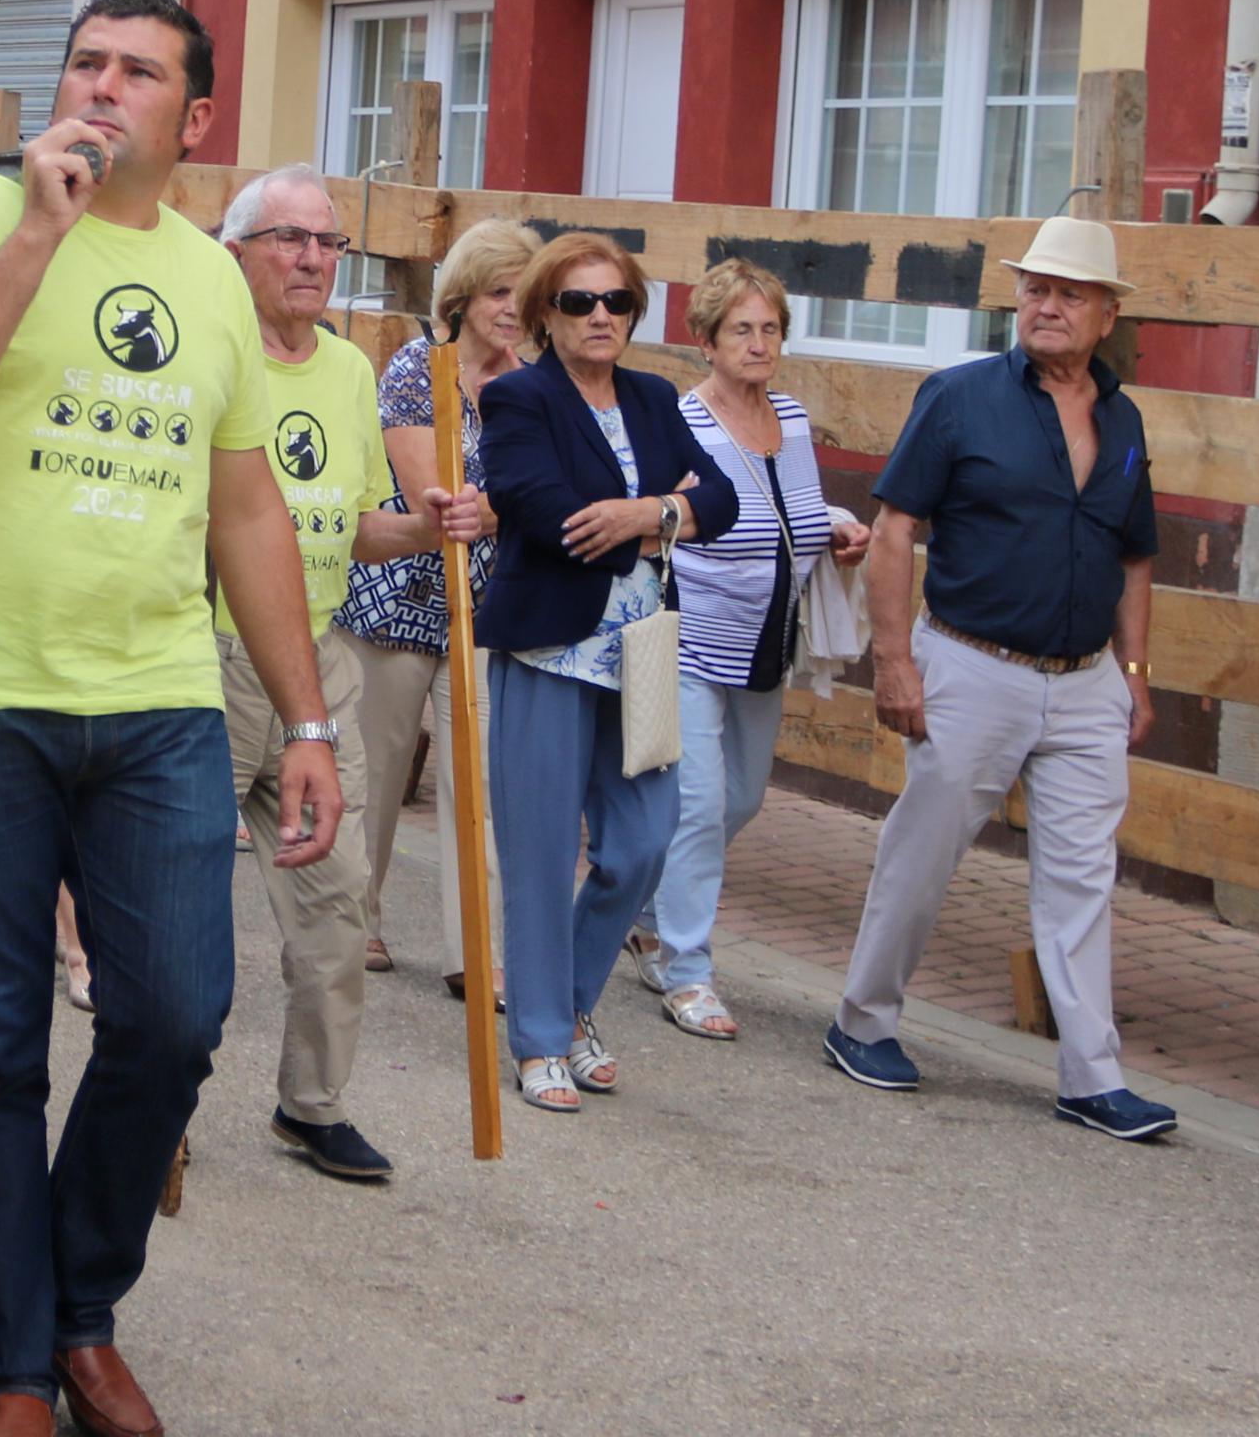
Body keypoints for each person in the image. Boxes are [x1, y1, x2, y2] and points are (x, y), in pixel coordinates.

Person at [0, 0, 335, 1437]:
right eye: (85, 62)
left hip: (150, 696)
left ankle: (76, 1295)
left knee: (176, 1012)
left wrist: (307, 716)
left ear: (192, 119)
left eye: (138, 71)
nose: (102, 86)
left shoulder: (206, 276)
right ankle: (9, 1359)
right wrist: (32, 237)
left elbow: (244, 503)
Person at [823, 216, 1172, 1143]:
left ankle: (1091, 1078)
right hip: (971, 665)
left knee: (1082, 879)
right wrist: (893, 660)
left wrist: (1135, 676)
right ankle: (862, 1021)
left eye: (1068, 292)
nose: (1045, 305)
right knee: (922, 852)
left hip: (1086, 680)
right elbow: (893, 529)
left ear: (1105, 314)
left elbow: (1135, 557)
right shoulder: (960, 397)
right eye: (1033, 289)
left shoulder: (1123, 419)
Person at [214, 166, 469, 1182]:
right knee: (178, 899)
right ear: (235, 252)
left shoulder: (347, 373)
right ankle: (154, 1103)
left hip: (318, 660)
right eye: (288, 238)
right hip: (213, 650)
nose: (313, 257)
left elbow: (357, 526)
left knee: (335, 902)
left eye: (326, 242)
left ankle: (310, 1105)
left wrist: (426, 525)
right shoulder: (208, 358)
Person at [476, 234, 735, 1116]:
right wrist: (668, 512)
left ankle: (573, 997)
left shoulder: (655, 397)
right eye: (579, 302)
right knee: (541, 853)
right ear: (546, 311)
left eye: (616, 302)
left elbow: (724, 500)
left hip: (642, 651)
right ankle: (543, 1037)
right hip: (549, 649)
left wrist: (647, 511)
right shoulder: (519, 395)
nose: (599, 317)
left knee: (642, 842)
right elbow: (543, 510)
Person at [639, 259, 869, 1043]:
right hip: (693, 640)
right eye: (741, 328)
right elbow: (667, 517)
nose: (758, 342)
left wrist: (835, 523)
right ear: (705, 339)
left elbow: (790, 509)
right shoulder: (682, 422)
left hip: (767, 647)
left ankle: (640, 909)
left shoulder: (792, 418)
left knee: (740, 800)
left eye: (769, 327)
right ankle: (686, 970)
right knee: (699, 803)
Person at [329, 219, 535, 995]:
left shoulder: (529, 379)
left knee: (476, 783)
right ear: (463, 296)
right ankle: (360, 917)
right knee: (376, 778)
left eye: (524, 293)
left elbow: (541, 491)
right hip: (396, 606)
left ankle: (470, 952)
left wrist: (505, 506)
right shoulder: (420, 367)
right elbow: (431, 495)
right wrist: (507, 505)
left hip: (483, 612)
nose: (512, 309)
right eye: (497, 292)